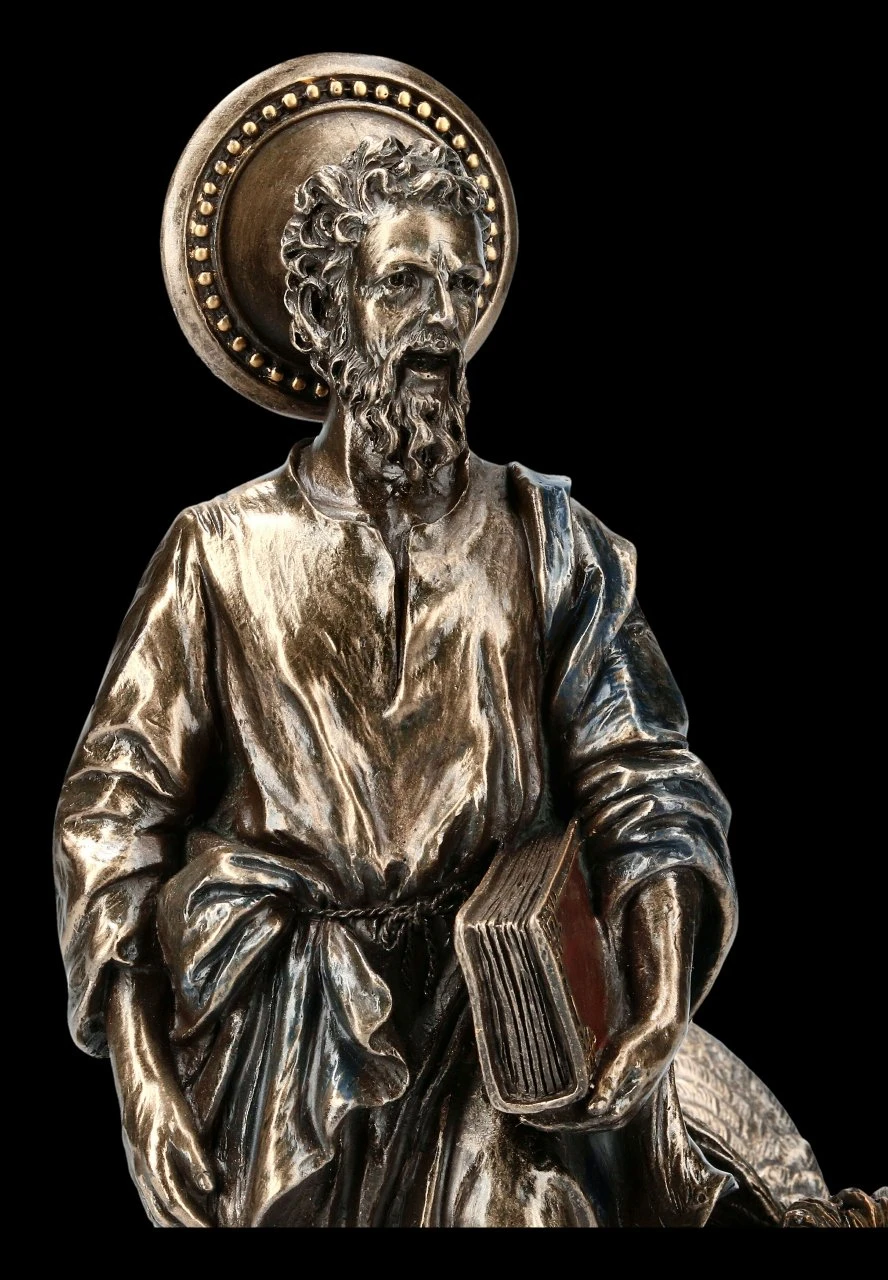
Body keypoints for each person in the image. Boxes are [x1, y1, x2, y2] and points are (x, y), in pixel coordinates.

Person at [54, 137, 747, 1227]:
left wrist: (656, 997)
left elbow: (645, 777)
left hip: (499, 1029)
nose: (439, 319)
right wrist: (142, 1076)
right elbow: (112, 819)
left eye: (460, 286)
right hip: (286, 1047)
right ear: (324, 312)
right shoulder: (219, 553)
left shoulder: (550, 540)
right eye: (402, 281)